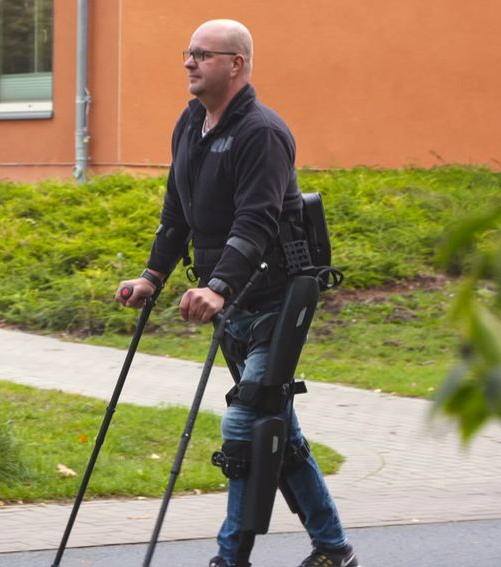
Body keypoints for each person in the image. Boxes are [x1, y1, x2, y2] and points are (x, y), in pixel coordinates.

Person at [115, 19, 359, 567]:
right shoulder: (190, 125)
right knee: (277, 426)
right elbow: (177, 212)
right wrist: (151, 277)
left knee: (246, 422)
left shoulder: (262, 133)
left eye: (202, 54)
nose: (189, 62)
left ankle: (230, 558)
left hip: (278, 299)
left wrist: (218, 286)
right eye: (187, 52)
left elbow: (256, 220)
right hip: (235, 305)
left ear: (236, 64)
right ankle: (334, 549)